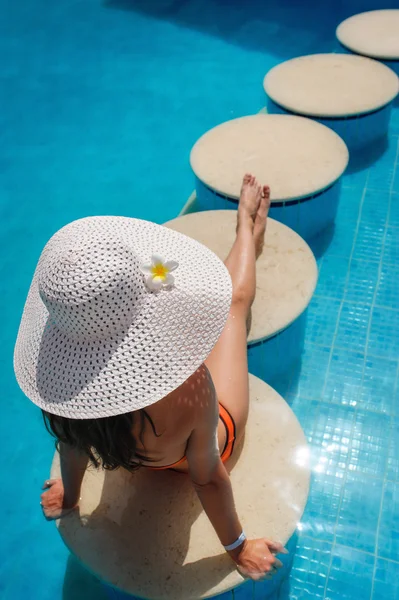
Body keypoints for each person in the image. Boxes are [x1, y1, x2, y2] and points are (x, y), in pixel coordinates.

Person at [14, 174, 287, 582]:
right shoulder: (192, 389)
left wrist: (70, 498)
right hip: (208, 438)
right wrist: (239, 548)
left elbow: (70, 449)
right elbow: (208, 477)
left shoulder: (67, 398)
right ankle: (247, 228)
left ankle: (245, 232)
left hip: (139, 450)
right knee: (232, 305)